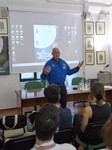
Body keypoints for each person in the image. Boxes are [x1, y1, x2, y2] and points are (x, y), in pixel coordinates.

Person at [73, 82, 111, 147]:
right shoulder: (108, 105)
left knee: (77, 118)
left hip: (90, 140)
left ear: (92, 92)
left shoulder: (88, 109)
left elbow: (83, 130)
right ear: (103, 93)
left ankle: (77, 146)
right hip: (103, 138)